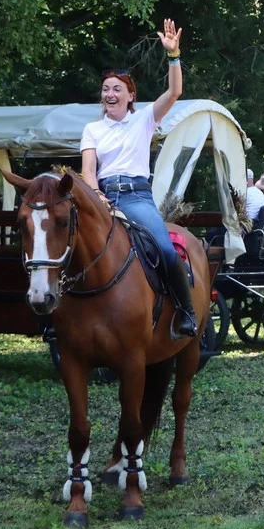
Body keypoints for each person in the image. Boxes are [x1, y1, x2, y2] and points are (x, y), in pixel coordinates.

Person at [79, 19, 196, 340]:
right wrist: (95, 194)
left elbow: (175, 92)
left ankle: (185, 311)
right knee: (72, 244)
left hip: (136, 197)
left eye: (117, 88)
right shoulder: (93, 129)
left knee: (164, 248)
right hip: (101, 198)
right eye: (105, 89)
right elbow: (88, 170)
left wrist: (173, 55)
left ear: (131, 96)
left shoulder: (144, 119)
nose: (110, 93)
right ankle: (59, 316)